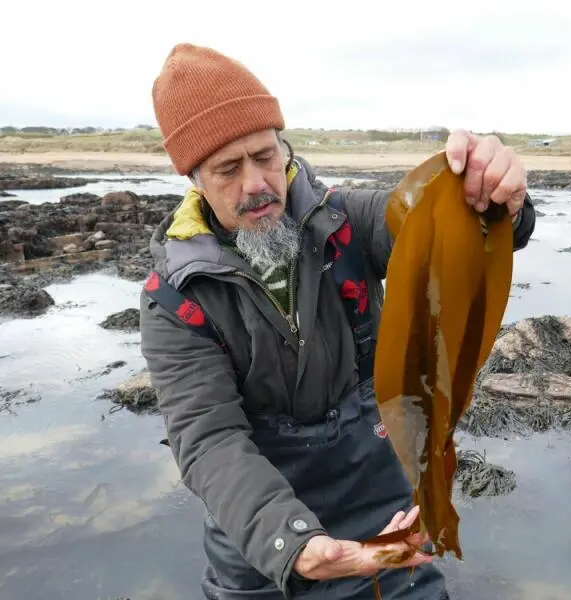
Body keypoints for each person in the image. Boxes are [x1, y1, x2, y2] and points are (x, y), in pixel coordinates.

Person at [140, 42, 537, 600]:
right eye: (228, 169)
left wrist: (493, 197)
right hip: (260, 547)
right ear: (195, 179)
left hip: (382, 513)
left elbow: (439, 224)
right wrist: (290, 542)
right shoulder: (176, 298)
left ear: (284, 148)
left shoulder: (343, 219)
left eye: (266, 155)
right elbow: (209, 440)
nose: (256, 184)